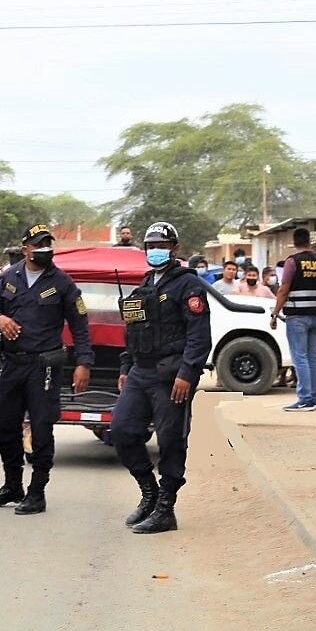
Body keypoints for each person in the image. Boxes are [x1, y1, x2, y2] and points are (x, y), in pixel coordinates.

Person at [0, 223, 93, 515]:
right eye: (38, 244)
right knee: (5, 427)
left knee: (41, 429)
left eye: (48, 244)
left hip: (43, 366)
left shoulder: (62, 283)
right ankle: (12, 484)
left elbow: (80, 325)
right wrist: (0, 320)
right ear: (25, 249)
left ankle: (37, 491)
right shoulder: (9, 277)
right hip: (13, 364)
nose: (44, 249)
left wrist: (83, 363)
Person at [110, 222, 211, 534]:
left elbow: (199, 335)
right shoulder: (144, 284)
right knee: (122, 430)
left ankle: (166, 508)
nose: (156, 251)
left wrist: (187, 373)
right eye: (151, 245)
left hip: (171, 376)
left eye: (162, 245)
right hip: (140, 371)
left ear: (175, 249)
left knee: (170, 440)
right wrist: (126, 368)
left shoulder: (188, 286)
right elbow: (133, 332)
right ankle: (149, 493)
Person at [272, 227, 316, 412]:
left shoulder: (292, 262)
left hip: (297, 316)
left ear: (294, 242)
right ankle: (313, 397)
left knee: (300, 358)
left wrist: (275, 312)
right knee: (313, 357)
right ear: (309, 241)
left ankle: (305, 398)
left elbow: (284, 289)